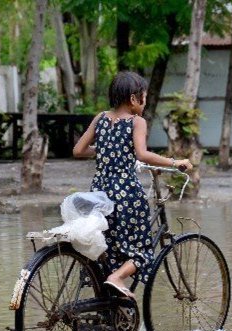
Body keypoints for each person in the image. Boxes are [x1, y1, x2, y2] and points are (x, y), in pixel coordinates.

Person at [73, 71, 193, 298]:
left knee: (107, 250)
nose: (144, 102)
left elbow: (78, 150)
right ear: (133, 99)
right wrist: (175, 162)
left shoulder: (100, 118)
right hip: (125, 193)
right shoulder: (137, 122)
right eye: (143, 97)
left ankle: (110, 305)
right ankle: (117, 278)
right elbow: (142, 154)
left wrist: (107, 150)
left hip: (99, 192)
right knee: (143, 251)